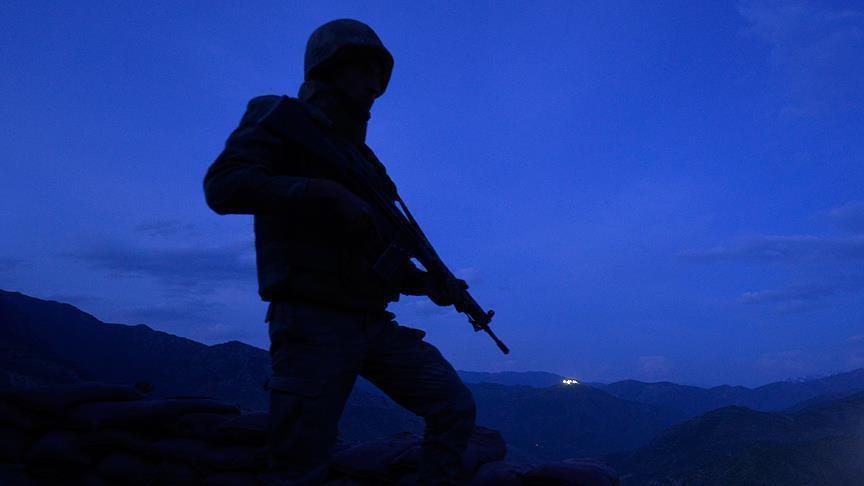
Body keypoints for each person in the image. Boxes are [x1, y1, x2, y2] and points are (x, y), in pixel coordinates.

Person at [203, 19, 476, 485]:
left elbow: (378, 256)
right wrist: (320, 192)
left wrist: (425, 283)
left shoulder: (366, 165)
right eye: (363, 69)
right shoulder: (280, 117)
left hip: (371, 321)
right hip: (311, 321)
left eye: (380, 75)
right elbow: (224, 186)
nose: (374, 85)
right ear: (328, 68)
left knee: (454, 406)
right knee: (299, 463)